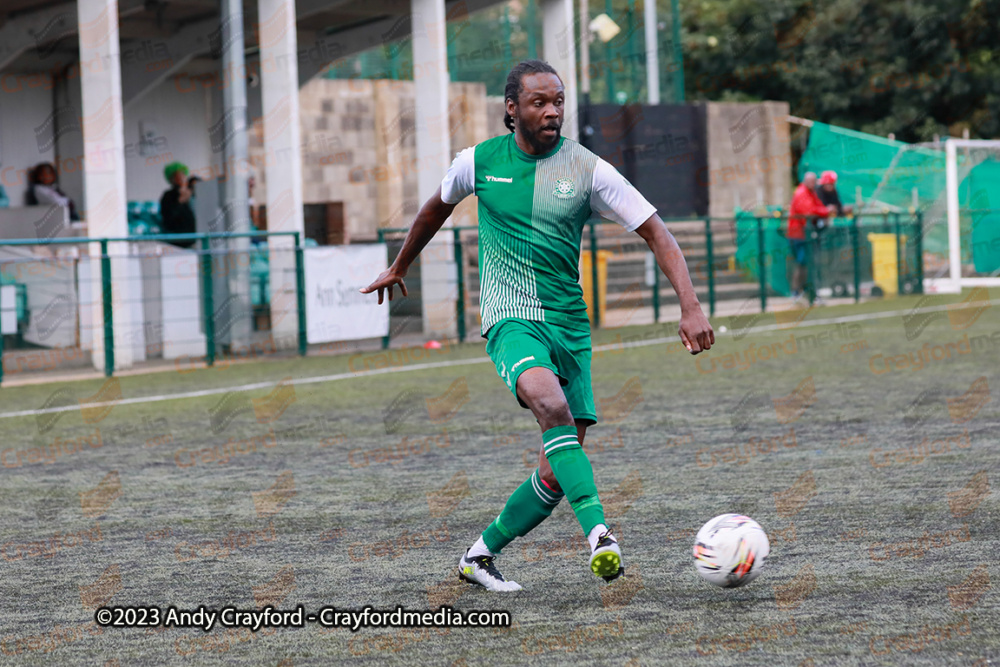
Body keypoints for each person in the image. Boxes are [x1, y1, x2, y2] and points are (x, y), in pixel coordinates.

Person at [360, 60, 714, 591]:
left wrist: (690, 306)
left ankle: (479, 556)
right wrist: (400, 264)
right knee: (550, 405)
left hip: (570, 327)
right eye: (539, 103)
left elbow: (657, 232)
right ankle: (600, 534)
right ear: (512, 109)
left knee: (556, 469)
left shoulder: (588, 169)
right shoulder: (478, 162)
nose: (552, 112)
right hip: (510, 318)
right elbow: (434, 209)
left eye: (558, 102)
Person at [787, 171, 836, 301]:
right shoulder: (801, 192)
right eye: (812, 182)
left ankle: (807, 291)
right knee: (802, 262)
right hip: (798, 234)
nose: (814, 184)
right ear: (807, 181)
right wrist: (826, 211)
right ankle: (796, 292)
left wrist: (826, 211)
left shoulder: (811, 192)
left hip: (806, 234)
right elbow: (808, 211)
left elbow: (817, 206)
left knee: (809, 263)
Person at [160, 162, 196, 248]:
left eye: (183, 174)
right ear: (172, 179)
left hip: (194, 236)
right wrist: (181, 200)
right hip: (178, 240)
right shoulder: (168, 196)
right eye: (177, 176)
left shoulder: (191, 191)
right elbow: (169, 218)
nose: (181, 178)